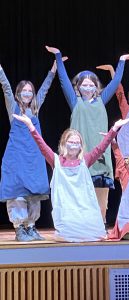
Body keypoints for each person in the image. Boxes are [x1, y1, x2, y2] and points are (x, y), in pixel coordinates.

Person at [45, 46, 129, 226]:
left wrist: (122, 61)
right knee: (80, 196)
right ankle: (80, 225)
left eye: (91, 84)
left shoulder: (102, 99)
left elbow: (115, 82)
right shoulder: (74, 101)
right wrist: (58, 56)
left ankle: (100, 224)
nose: (88, 86)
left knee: (101, 199)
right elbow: (63, 80)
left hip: (100, 156)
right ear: (78, 86)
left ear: (96, 87)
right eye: (84, 84)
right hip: (80, 156)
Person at [13, 113, 129, 242]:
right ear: (64, 143)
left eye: (77, 142)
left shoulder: (85, 160)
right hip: (66, 207)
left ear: (81, 145)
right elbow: (42, 146)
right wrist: (30, 126)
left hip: (84, 205)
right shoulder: (56, 160)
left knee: (93, 235)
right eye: (71, 142)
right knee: (67, 235)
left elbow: (101, 148)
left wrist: (114, 128)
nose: (74, 145)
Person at [0, 59, 65, 241]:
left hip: (34, 157)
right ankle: (20, 227)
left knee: (34, 193)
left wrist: (53, 69)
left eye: (30, 91)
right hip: (16, 156)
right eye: (24, 91)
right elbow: (5, 86)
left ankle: (31, 227)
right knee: (18, 193)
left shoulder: (35, 110)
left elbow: (44, 88)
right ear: (18, 93)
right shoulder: (13, 107)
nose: (27, 93)